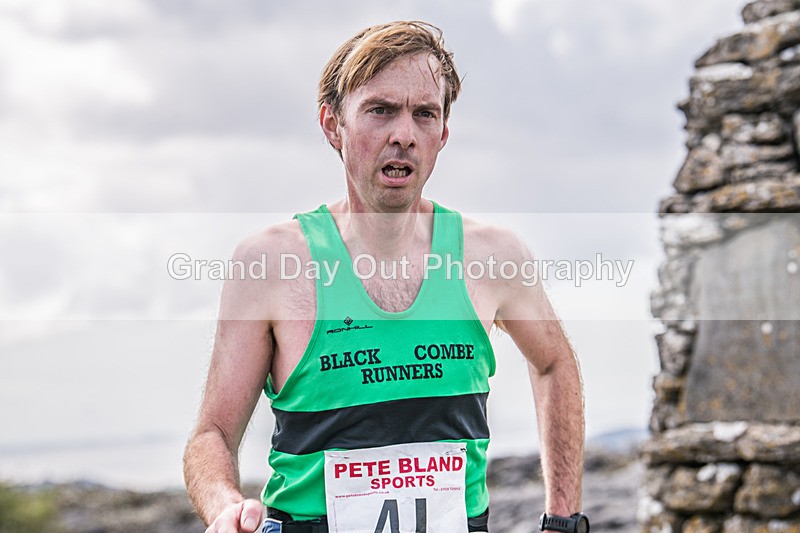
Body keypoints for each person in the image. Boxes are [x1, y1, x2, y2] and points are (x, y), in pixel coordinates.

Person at [184, 20, 585, 533]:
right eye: (381, 110)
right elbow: (212, 434)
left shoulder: (492, 256)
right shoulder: (269, 265)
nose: (404, 135)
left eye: (424, 114)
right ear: (333, 125)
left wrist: (563, 520)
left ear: (442, 133)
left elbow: (554, 364)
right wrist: (225, 507)